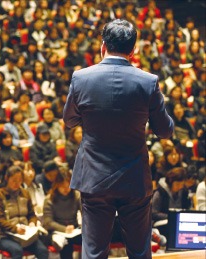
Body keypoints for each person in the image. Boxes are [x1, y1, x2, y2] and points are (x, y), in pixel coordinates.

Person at [63, 19, 174, 259]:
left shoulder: (81, 78)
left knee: (93, 252)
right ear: (133, 50)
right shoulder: (148, 81)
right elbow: (165, 131)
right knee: (139, 251)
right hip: (134, 179)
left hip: (94, 178)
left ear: (103, 46)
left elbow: (70, 120)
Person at [0, 165, 49, 259]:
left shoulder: (25, 193)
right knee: (17, 251)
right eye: (14, 180)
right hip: (5, 236)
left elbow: (31, 214)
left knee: (43, 250)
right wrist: (15, 229)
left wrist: (32, 223)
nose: (17, 183)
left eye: (20, 180)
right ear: (7, 178)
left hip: (25, 235)